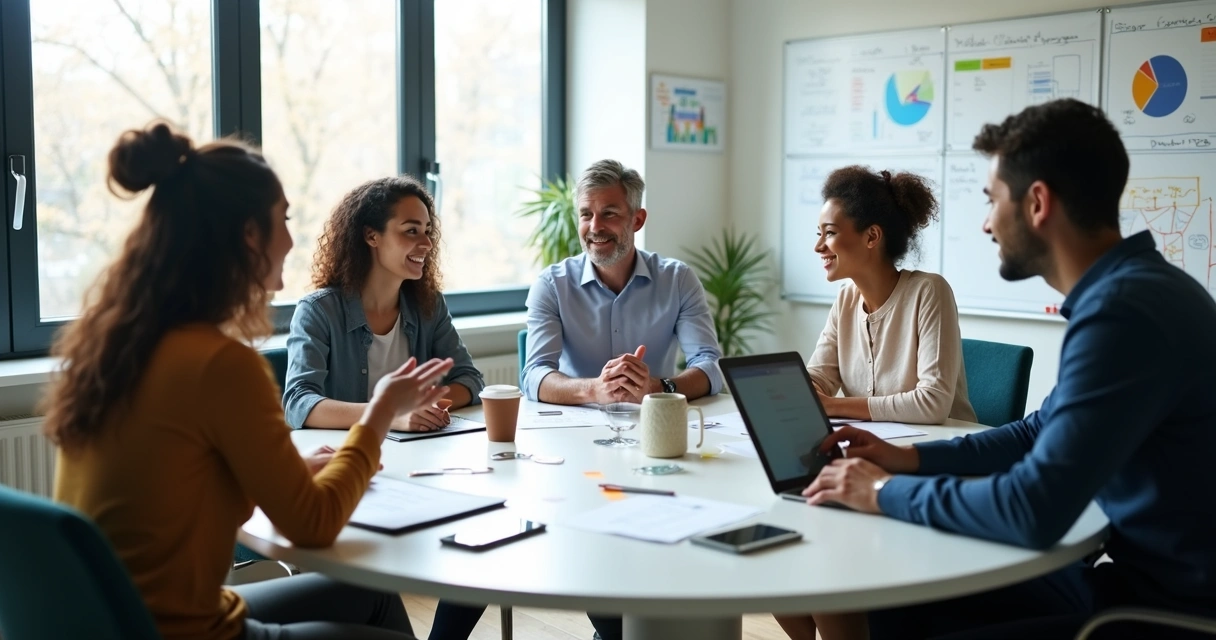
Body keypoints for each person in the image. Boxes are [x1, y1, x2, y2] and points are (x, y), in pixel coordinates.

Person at [800, 99, 1216, 639]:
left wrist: (879, 492)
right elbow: (1036, 430)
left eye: (992, 199)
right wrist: (905, 457)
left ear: (1037, 203)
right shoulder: (1135, 292)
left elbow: (1030, 508)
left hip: (1155, 610)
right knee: (892, 602)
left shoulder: (1123, 314)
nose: (987, 222)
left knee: (894, 610)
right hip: (1130, 575)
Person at [48, 122, 456, 640]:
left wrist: (287, 470)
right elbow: (313, 525)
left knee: (369, 593)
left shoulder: (114, 344)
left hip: (115, 621)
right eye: (281, 219)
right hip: (188, 631)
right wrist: (379, 414)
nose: (290, 237)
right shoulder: (220, 363)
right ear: (248, 234)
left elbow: (174, 481)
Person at [284, 176, 484, 435]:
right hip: (344, 455)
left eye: (427, 230)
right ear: (371, 236)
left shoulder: (429, 305)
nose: (427, 243)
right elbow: (298, 403)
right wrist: (387, 413)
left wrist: (424, 408)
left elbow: (470, 379)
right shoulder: (318, 311)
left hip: (417, 450)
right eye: (411, 230)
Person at [522, 159, 723, 407]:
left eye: (609, 213)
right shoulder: (552, 285)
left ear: (637, 220)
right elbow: (534, 376)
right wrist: (594, 390)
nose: (595, 227)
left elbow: (710, 366)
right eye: (586, 214)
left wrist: (658, 389)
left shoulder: (678, 280)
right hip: (575, 428)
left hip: (653, 421)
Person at [804, 166, 976, 425]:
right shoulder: (845, 301)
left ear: (872, 236)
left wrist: (833, 406)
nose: (819, 247)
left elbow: (933, 403)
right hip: (875, 447)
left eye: (830, 233)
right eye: (819, 234)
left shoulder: (929, 292)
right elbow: (817, 379)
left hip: (942, 453)